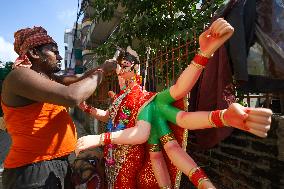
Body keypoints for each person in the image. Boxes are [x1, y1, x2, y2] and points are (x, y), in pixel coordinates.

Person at [76, 18, 272, 189]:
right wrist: (87, 108)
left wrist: (203, 55)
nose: (119, 67)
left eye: (124, 62)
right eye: (119, 63)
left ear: (135, 69)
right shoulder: (120, 97)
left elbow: (176, 95)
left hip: (127, 166)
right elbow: (108, 116)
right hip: (111, 162)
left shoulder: (146, 98)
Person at [0, 26, 117, 189]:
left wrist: (103, 68)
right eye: (54, 51)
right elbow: (73, 96)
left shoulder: (50, 79)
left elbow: (80, 77)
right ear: (34, 53)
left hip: (55, 164)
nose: (60, 56)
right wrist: (102, 71)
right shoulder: (19, 76)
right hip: (31, 171)